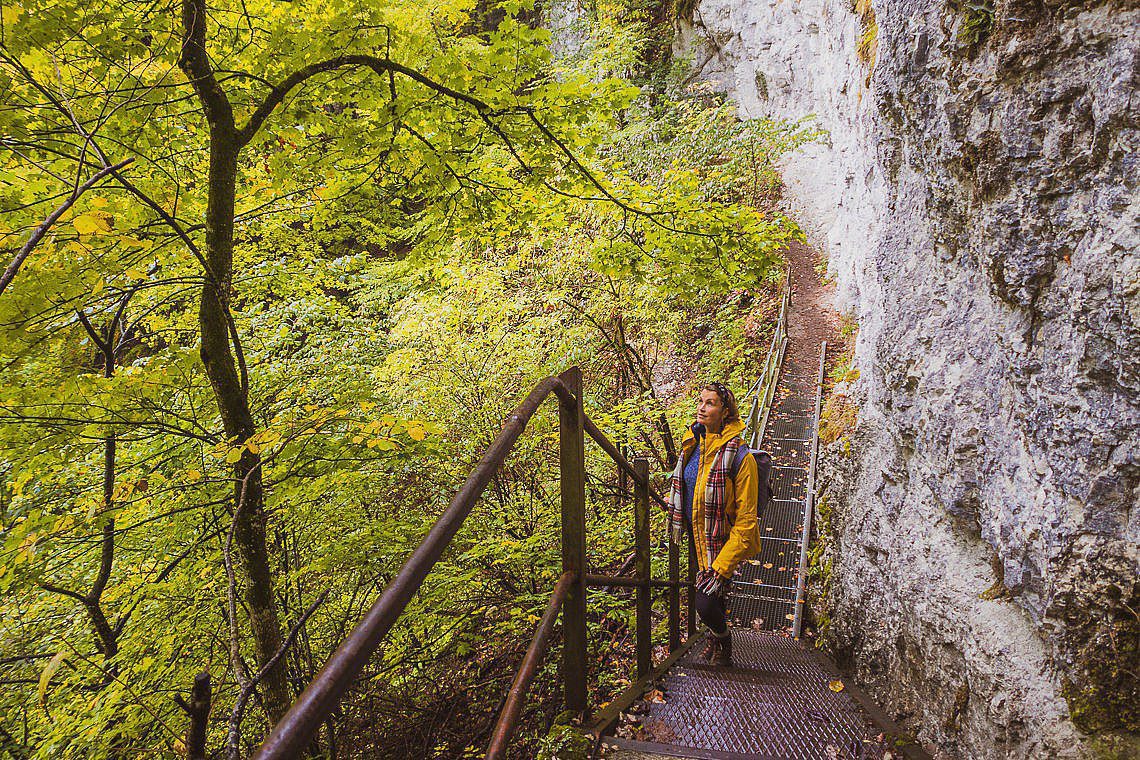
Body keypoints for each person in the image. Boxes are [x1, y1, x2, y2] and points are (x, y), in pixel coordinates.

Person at [666, 382, 761, 666]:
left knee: (705, 603)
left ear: (725, 412)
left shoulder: (740, 458)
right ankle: (716, 640)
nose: (701, 407)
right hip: (697, 534)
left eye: (710, 403)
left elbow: (746, 519)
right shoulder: (693, 444)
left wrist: (722, 566)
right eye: (700, 401)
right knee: (713, 600)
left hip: (723, 540)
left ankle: (723, 638)